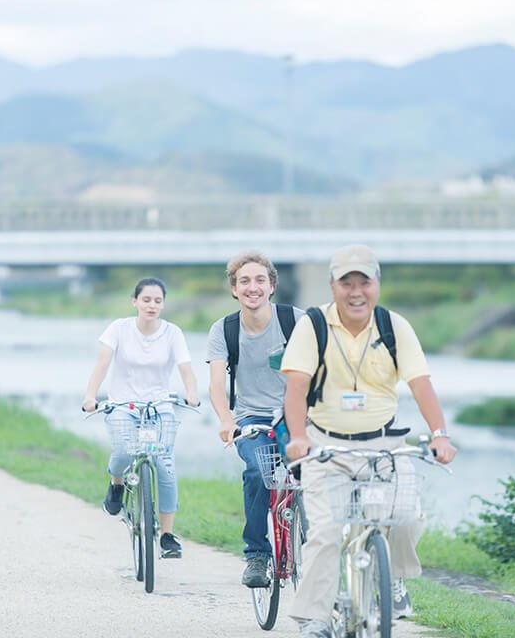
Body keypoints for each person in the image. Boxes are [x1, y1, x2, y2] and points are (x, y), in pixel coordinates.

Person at [282, 244, 457, 638]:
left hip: (384, 446)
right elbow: (295, 387)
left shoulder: (394, 326)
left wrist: (441, 435)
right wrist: (297, 437)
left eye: (365, 281)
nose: (356, 291)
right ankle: (317, 618)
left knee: (406, 517)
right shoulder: (313, 325)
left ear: (377, 285)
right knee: (325, 533)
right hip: (325, 446)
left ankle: (393, 579)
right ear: (333, 286)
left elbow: (421, 384)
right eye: (347, 282)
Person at [82, 277, 199, 559]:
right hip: (123, 405)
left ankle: (167, 536)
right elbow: (102, 362)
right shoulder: (119, 329)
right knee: (123, 451)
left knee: (165, 464)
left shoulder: (173, 333)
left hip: (160, 406)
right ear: (135, 301)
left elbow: (185, 368)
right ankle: (116, 485)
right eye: (146, 300)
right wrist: (91, 396)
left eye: (158, 301)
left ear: (163, 304)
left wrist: (192, 393)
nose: (152, 305)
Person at [207, 250, 303, 587]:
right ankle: (257, 555)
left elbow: (322, 371)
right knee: (256, 471)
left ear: (272, 286)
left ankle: (315, 539)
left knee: (314, 468)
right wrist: (224, 419)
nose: (253, 287)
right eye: (244, 281)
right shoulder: (225, 329)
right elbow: (217, 384)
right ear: (234, 289)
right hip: (251, 417)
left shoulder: (296, 321)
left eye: (260, 280)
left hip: (296, 412)